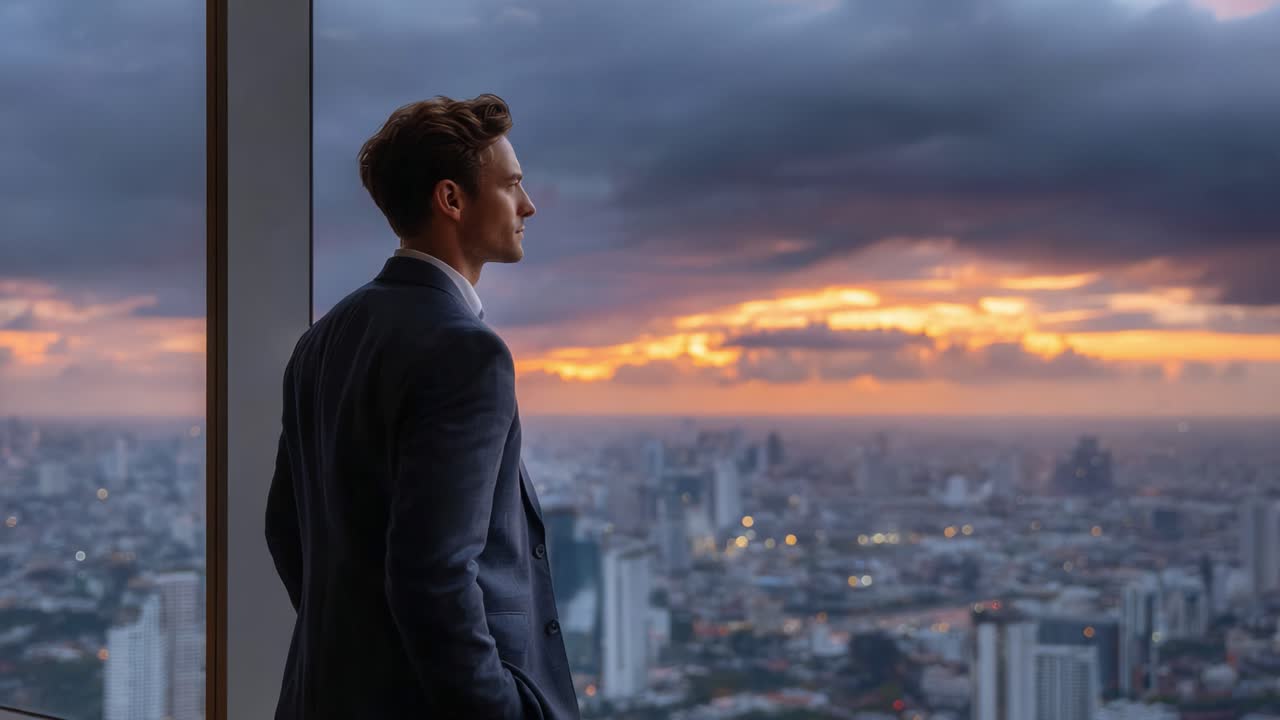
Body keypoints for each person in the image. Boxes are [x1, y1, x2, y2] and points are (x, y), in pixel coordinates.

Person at [266, 93, 579, 719]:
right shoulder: (466, 352)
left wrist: (361, 648)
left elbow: (285, 529)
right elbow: (432, 574)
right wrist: (501, 709)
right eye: (512, 184)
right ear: (452, 199)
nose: (528, 205)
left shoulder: (323, 339)